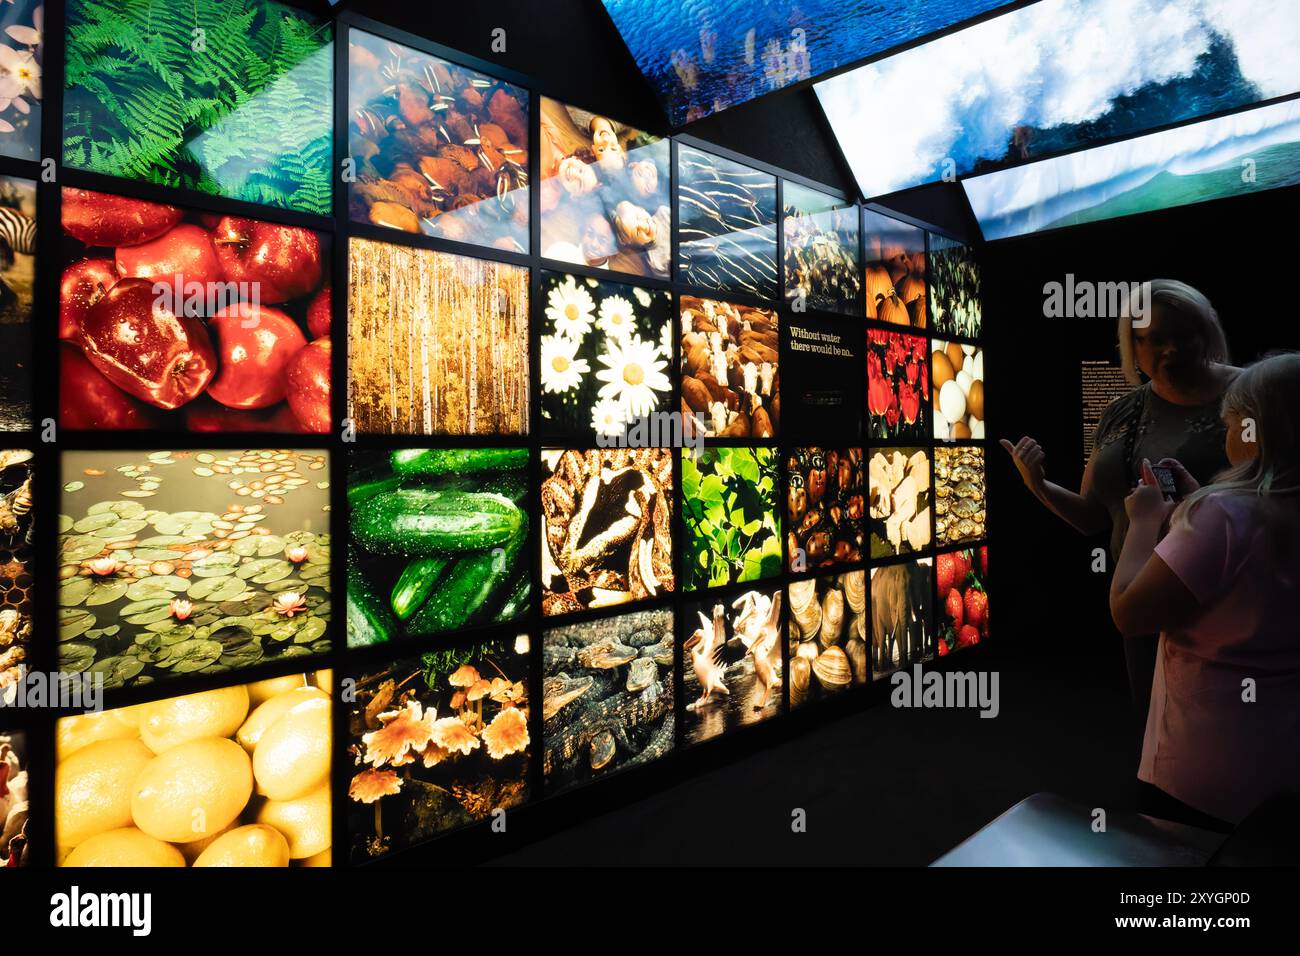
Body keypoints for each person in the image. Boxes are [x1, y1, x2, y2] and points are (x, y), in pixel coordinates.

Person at [1001, 280, 1239, 732]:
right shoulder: (1121, 411)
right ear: (1132, 343)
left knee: (1218, 746)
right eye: (1153, 339)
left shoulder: (1249, 398)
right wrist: (1039, 486)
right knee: (1155, 738)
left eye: (1182, 335)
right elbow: (1093, 516)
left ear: (1206, 332)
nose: (1169, 350)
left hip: (1220, 609)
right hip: (1141, 604)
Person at [1109, 352, 1300, 828]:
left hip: (1198, 777)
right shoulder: (1238, 513)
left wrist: (1145, 521)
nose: (1227, 434)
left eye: (1233, 423)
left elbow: (1128, 613)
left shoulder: (1222, 517)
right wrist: (1193, 508)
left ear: (1257, 431)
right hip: (1280, 766)